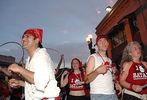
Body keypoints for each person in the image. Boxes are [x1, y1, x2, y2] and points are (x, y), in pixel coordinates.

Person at [8, 28, 60, 100]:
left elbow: (41, 81)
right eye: (23, 37)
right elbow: (34, 85)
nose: (23, 39)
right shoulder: (29, 59)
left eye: (27, 36)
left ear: (37, 40)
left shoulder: (42, 56)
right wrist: (20, 83)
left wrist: (20, 69)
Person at [85, 35, 122, 100]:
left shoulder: (109, 60)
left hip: (112, 94)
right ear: (97, 45)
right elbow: (86, 80)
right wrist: (97, 71)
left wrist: (116, 83)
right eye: (100, 41)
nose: (103, 43)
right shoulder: (93, 58)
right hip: (99, 95)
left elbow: (107, 77)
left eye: (105, 41)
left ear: (108, 43)